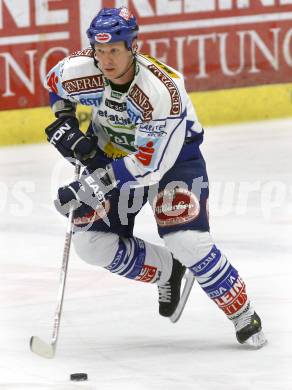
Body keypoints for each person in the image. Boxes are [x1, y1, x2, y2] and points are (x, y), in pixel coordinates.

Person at [44, 7, 266, 347]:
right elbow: (55, 84)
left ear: (133, 45)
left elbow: (148, 166)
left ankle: (242, 313)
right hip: (111, 158)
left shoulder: (161, 90)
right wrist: (67, 124)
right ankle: (167, 269)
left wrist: (88, 185)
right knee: (90, 244)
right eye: (99, 51)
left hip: (174, 162)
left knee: (187, 241)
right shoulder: (80, 68)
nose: (106, 60)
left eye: (114, 50)